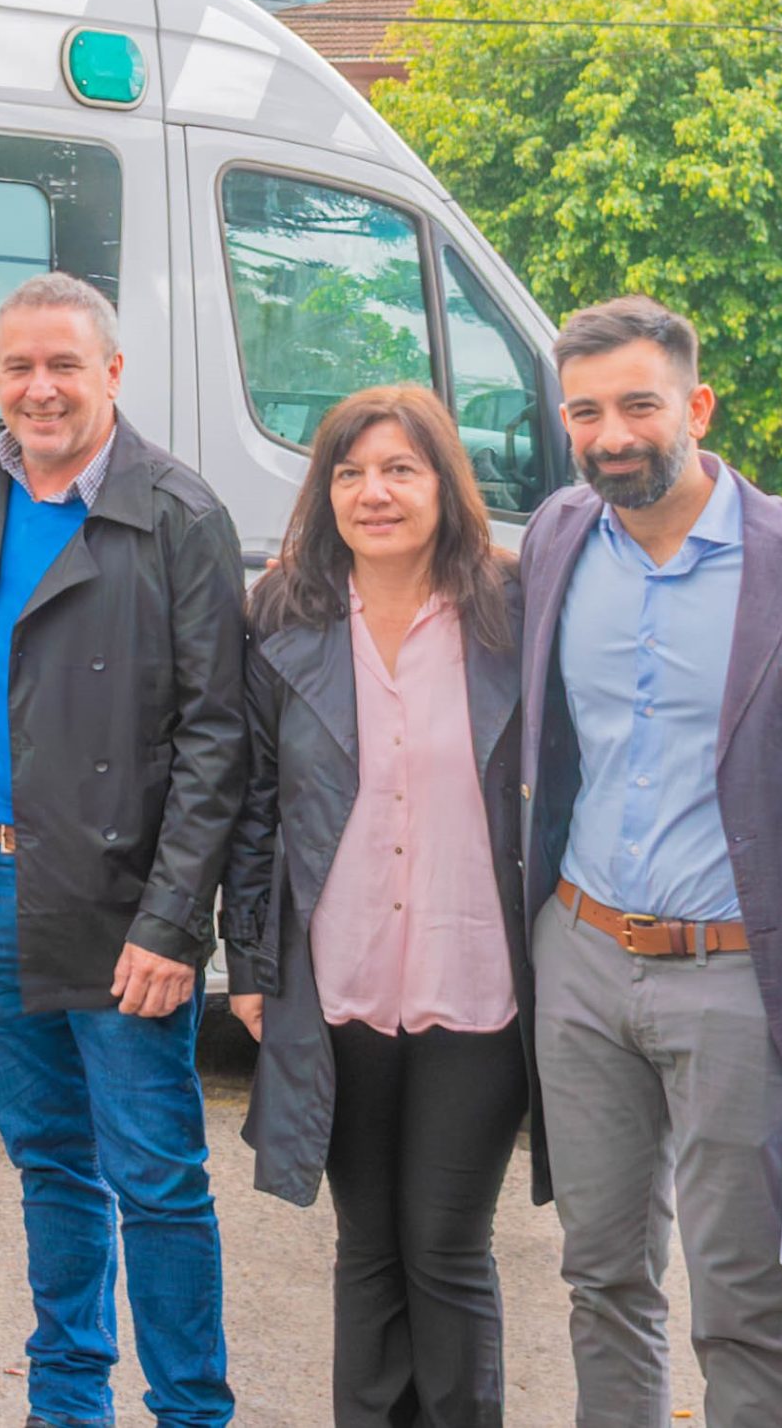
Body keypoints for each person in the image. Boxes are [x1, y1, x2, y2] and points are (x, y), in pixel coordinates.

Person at [519, 294, 782, 1428]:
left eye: (639, 406)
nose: (611, 434)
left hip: (735, 975)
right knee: (600, 1276)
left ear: (697, 406)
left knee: (742, 1300)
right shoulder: (558, 535)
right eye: (585, 412)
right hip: (579, 955)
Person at [0, 271, 250, 1428]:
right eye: (18, 366)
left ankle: (189, 1413)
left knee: (156, 1179)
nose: (40, 388)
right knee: (51, 1167)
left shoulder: (179, 514)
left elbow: (218, 737)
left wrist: (173, 923)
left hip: (119, 905)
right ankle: (67, 1405)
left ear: (111, 371)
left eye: (63, 364)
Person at [222, 386, 532, 1428]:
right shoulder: (284, 615)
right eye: (350, 473)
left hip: (476, 979)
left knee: (444, 1242)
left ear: (446, 483)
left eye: (401, 469)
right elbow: (255, 805)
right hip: (338, 979)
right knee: (364, 1247)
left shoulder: (510, 612)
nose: (374, 493)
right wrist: (250, 964)